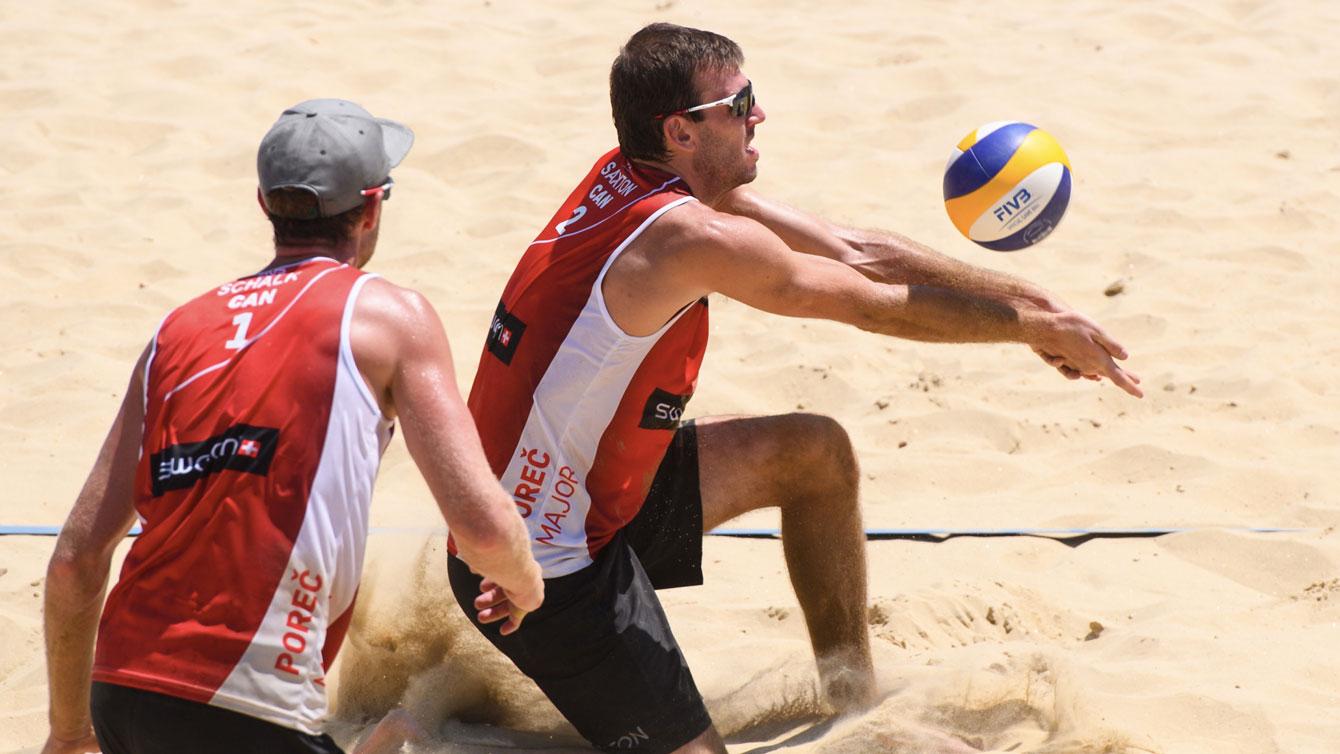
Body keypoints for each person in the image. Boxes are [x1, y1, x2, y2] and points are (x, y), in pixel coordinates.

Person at [448, 22, 1144, 754]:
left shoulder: (644, 174)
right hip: (541, 569)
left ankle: (853, 704)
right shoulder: (687, 237)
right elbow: (865, 302)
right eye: (738, 101)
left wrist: (1039, 309)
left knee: (814, 455)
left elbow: (855, 251)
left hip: (593, 497)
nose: (758, 114)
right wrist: (1027, 330)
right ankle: (436, 737)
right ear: (681, 130)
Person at [41, 99, 544, 754]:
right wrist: (526, 582)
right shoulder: (389, 317)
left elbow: (76, 562)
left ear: (264, 203)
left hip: (122, 694)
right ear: (371, 210)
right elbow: (481, 526)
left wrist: (69, 730)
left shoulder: (175, 332)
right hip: (248, 700)